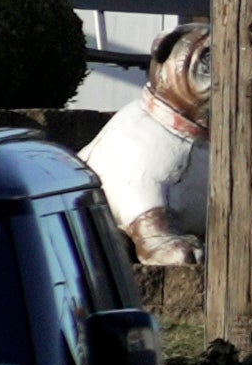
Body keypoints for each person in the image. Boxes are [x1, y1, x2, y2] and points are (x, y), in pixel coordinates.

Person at [83, 27, 211, 274]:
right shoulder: (140, 130)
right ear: (166, 49)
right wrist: (155, 237)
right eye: (207, 59)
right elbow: (139, 191)